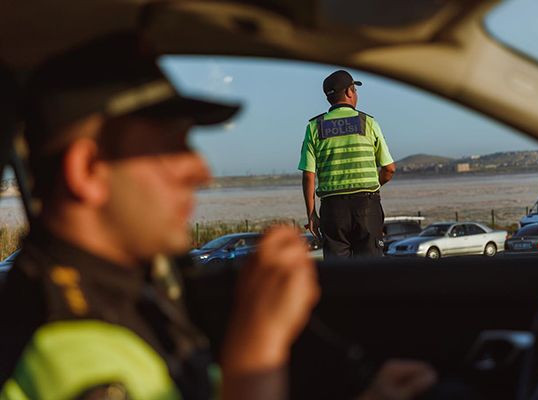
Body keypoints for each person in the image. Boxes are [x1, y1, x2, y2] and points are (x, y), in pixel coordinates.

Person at [0, 34, 435, 400]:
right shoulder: (65, 353)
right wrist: (256, 353)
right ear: (87, 171)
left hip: (332, 209)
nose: (201, 170)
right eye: (170, 147)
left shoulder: (146, 285)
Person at [298, 70, 396, 258]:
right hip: (366, 205)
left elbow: (308, 175)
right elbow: (389, 169)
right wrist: (372, 184)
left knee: (337, 273)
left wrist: (311, 215)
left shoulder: (313, 127)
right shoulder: (368, 122)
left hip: (332, 209)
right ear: (350, 92)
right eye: (355, 90)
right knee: (371, 271)